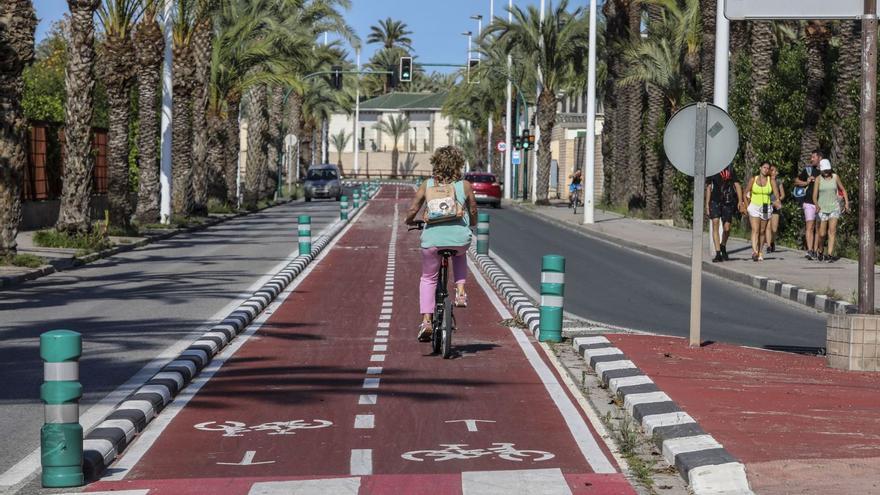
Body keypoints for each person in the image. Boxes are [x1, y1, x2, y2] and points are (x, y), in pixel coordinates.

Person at [404, 146, 478, 341]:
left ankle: (426, 321)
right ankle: (460, 291)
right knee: (460, 254)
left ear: (436, 164)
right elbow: (473, 208)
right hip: (459, 239)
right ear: (458, 165)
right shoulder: (465, 185)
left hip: (433, 241)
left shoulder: (427, 184)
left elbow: (413, 208)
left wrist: (409, 221)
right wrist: (473, 223)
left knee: (428, 278)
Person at [813, 158, 849, 262]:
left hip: (834, 207)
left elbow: (843, 189)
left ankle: (829, 254)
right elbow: (814, 196)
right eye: (824, 171)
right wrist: (816, 204)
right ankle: (820, 250)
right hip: (822, 208)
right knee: (822, 233)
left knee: (832, 231)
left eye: (827, 170)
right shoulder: (818, 179)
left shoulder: (835, 177)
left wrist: (846, 203)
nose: (826, 172)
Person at [744, 162, 782, 262]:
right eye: (764, 167)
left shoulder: (771, 181)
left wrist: (777, 201)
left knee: (762, 231)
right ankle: (754, 251)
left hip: (765, 206)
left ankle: (760, 251)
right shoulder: (754, 179)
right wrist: (747, 207)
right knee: (755, 229)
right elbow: (746, 192)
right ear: (760, 168)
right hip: (754, 206)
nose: (765, 169)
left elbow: (777, 195)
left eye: (767, 168)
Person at [704, 166, 743, 262]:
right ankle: (718, 253)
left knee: (727, 228)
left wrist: (740, 201)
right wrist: (707, 205)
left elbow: (737, 184)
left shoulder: (730, 168)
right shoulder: (712, 168)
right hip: (715, 201)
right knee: (715, 223)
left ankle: (723, 245)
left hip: (728, 201)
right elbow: (708, 187)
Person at [793, 150, 822, 259]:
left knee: (818, 228)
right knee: (810, 227)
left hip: (821, 203)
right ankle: (810, 250)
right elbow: (796, 181)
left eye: (813, 157)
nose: (811, 159)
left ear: (819, 158)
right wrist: (806, 182)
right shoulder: (808, 170)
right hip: (809, 202)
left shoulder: (826, 171)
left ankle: (816, 250)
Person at [764, 164, 786, 253]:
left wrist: (777, 201)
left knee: (774, 228)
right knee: (767, 226)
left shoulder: (778, 181)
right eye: (772, 170)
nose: (774, 172)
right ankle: (768, 245)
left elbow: (783, 195)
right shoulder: (765, 180)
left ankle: (772, 242)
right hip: (766, 204)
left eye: (775, 171)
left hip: (775, 206)